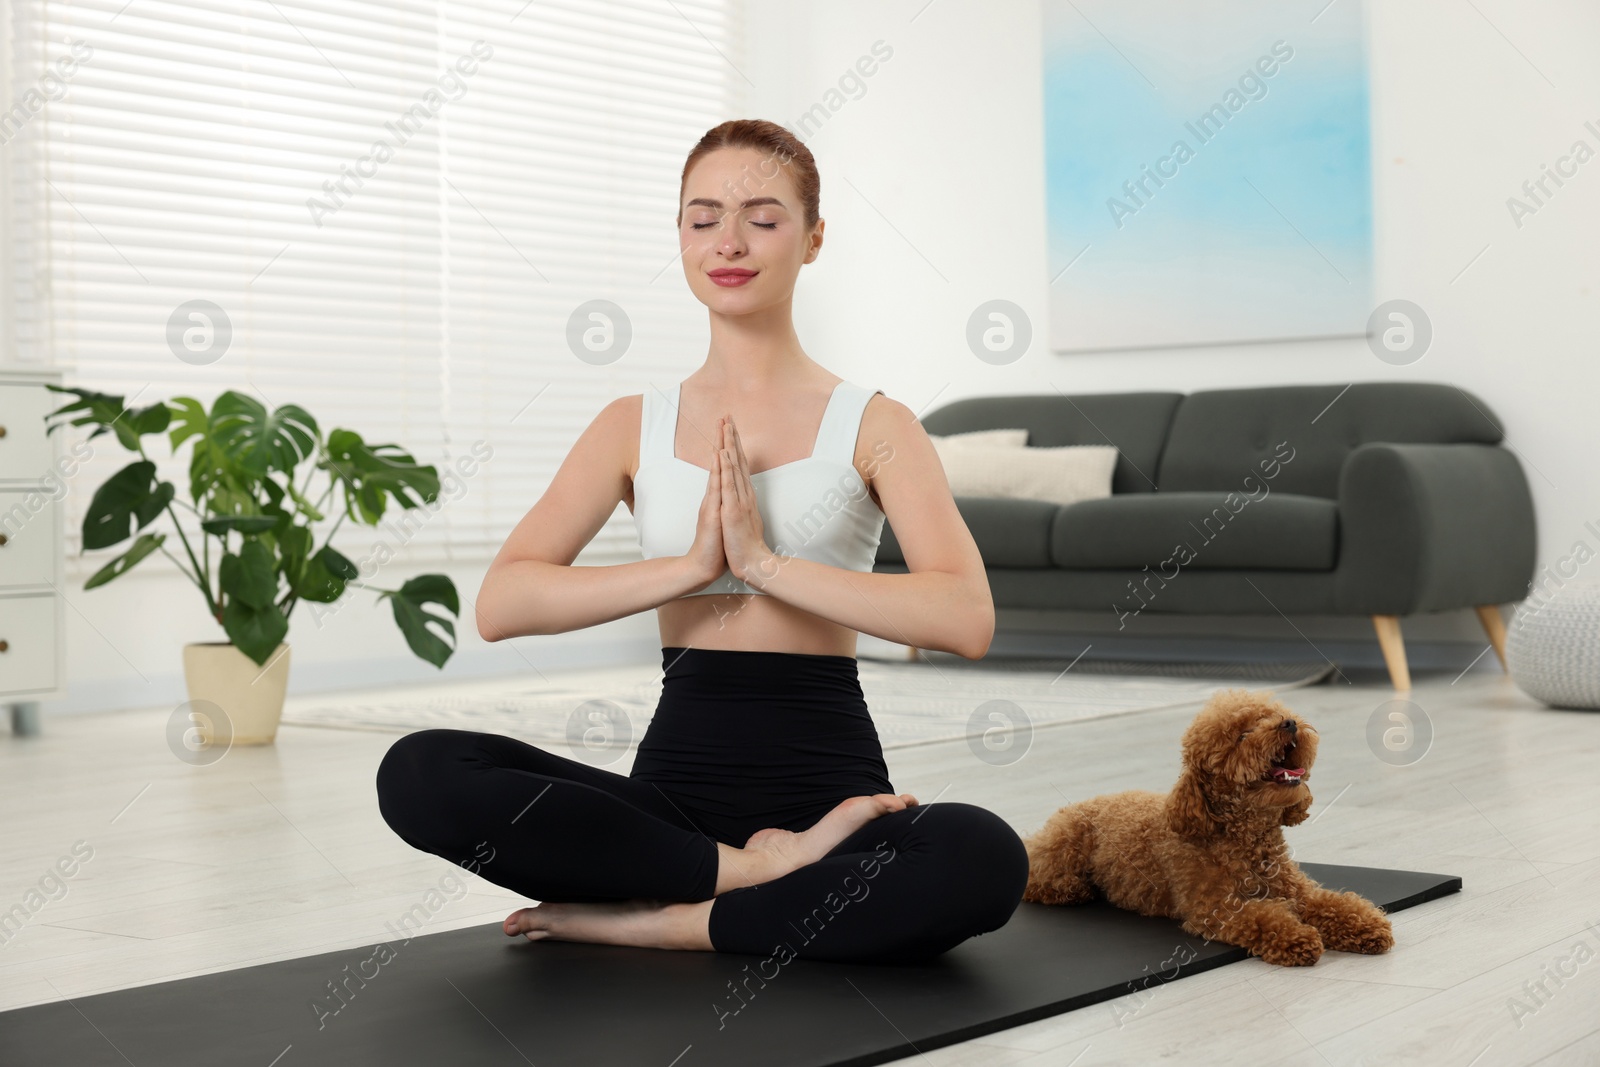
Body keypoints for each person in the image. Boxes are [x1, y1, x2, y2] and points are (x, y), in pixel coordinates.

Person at [376, 118, 1029, 964]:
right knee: (421, 770)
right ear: (679, 235)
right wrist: (689, 568)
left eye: (762, 218)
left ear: (813, 238)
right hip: (671, 813)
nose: (729, 241)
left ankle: (676, 919)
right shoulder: (630, 424)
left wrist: (764, 565)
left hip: (831, 805)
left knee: (984, 856)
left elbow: (964, 616)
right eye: (702, 218)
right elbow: (503, 603)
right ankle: (739, 876)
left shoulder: (876, 422)